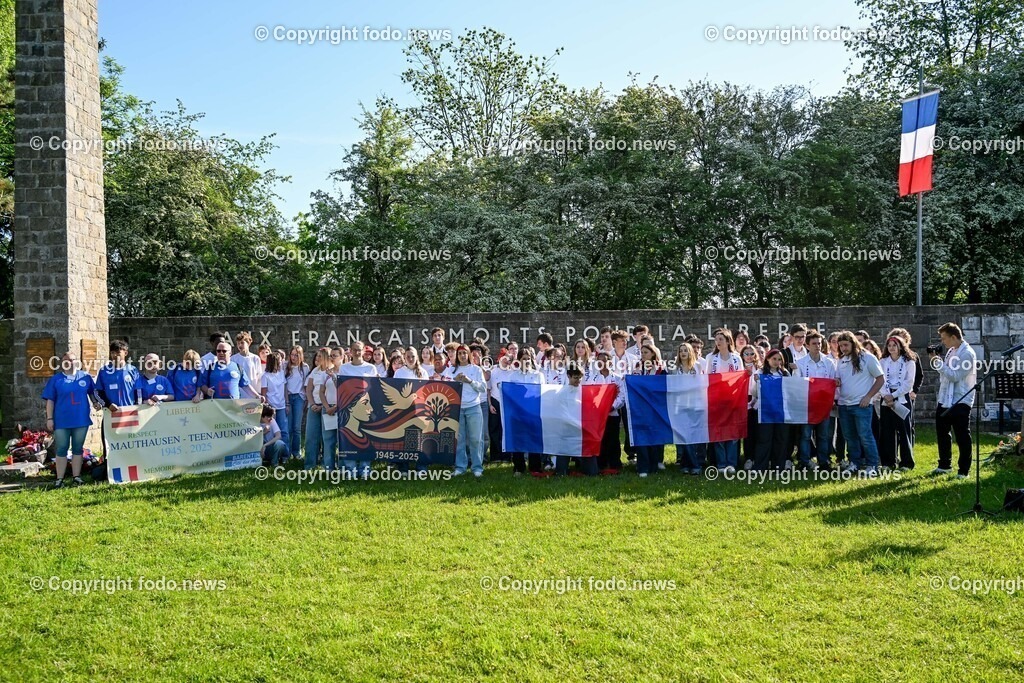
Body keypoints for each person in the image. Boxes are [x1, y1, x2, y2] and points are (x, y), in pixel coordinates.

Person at [43, 352, 102, 488]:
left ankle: (77, 477)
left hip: (81, 420)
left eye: (71, 359)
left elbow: (92, 394)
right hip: (61, 421)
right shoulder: (56, 380)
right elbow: (50, 401)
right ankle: (60, 479)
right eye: (65, 360)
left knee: (78, 448)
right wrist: (50, 418)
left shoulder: (85, 377)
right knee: (62, 448)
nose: (68, 362)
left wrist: (95, 403)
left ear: (77, 361)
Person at [930, 322, 977, 478]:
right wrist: (938, 363)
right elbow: (945, 374)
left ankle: (964, 470)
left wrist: (938, 363)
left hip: (961, 399)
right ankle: (944, 465)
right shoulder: (951, 350)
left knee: (962, 436)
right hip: (945, 399)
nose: (943, 342)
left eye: (944, 338)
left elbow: (955, 376)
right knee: (942, 433)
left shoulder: (967, 354)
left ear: (954, 337)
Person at [835, 331, 884, 475]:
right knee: (850, 437)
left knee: (865, 435)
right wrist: (837, 382)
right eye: (841, 345)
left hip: (861, 405)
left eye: (846, 345)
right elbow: (840, 380)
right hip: (844, 405)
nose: (843, 348)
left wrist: (868, 397)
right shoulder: (841, 360)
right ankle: (854, 463)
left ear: (853, 343)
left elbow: (880, 379)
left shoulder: (868, 358)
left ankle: (872, 465)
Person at [442, 345, 487, 477]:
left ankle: (477, 467)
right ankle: (460, 467)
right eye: (460, 353)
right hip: (457, 407)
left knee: (476, 438)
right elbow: (445, 386)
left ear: (469, 355)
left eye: (464, 353)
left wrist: (469, 381)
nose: (462, 356)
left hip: (473, 406)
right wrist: (455, 381)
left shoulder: (476, 369)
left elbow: (483, 388)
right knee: (459, 439)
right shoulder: (451, 370)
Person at [794, 331, 837, 470]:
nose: (817, 346)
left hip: (824, 405)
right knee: (806, 435)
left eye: (819, 343)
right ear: (807, 345)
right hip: (807, 405)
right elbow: (798, 384)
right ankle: (805, 461)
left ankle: (823, 461)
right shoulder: (800, 363)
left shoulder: (829, 363)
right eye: (814, 344)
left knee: (823, 435)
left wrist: (833, 400)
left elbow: (832, 383)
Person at [336, 341, 379, 477]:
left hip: (366, 408)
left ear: (363, 351)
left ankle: (365, 468)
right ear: (350, 351)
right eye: (354, 350)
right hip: (349, 409)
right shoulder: (344, 368)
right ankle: (351, 468)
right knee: (348, 437)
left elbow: (375, 388)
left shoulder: (371, 368)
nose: (357, 352)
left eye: (359, 350)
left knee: (366, 436)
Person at [95, 340, 141, 458]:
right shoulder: (104, 371)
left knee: (131, 442)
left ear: (125, 353)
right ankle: (108, 469)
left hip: (129, 414)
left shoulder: (133, 370)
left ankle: (133, 467)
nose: (115, 355)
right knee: (109, 443)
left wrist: (137, 407)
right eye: (112, 353)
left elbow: (138, 392)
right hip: (111, 414)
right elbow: (98, 392)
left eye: (118, 352)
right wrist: (108, 404)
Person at [707, 329, 742, 473]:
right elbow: (708, 378)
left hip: (733, 400)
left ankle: (731, 463)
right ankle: (721, 464)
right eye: (716, 339)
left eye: (721, 339)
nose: (718, 341)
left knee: (732, 433)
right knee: (719, 432)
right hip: (717, 400)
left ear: (728, 341)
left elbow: (740, 378)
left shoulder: (736, 358)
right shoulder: (712, 358)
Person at [879, 336, 916, 472]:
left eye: (895, 345)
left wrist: (893, 396)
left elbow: (908, 383)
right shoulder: (882, 361)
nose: (892, 348)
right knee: (887, 431)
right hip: (886, 397)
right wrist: (886, 396)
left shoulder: (909, 362)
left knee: (904, 430)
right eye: (889, 345)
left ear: (900, 346)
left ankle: (906, 463)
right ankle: (889, 462)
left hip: (901, 397)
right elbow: (880, 379)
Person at [553, 367, 599, 477]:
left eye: (579, 378)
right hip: (567, 428)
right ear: (568, 376)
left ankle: (588, 469)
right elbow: (560, 411)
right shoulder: (562, 392)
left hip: (581, 429)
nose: (578, 380)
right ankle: (562, 470)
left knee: (591, 469)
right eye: (575, 378)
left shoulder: (585, 392)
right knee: (563, 455)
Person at [750, 349, 791, 471]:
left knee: (781, 439)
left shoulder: (784, 373)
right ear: (768, 359)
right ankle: (760, 467)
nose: (776, 362)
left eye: (779, 359)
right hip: (765, 412)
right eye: (774, 359)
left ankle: (778, 466)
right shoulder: (760, 372)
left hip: (781, 412)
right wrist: (757, 382)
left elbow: (790, 390)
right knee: (764, 439)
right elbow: (754, 393)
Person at [670, 343, 706, 475]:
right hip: (680, 406)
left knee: (692, 435)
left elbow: (702, 385)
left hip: (695, 405)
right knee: (684, 435)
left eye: (686, 350)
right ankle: (693, 464)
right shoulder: (675, 368)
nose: (683, 353)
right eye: (681, 351)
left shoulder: (697, 366)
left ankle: (687, 464)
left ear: (690, 352)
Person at [589, 350, 625, 475]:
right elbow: (591, 395)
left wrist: (612, 407)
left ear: (610, 362)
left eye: (605, 360)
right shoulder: (593, 379)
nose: (602, 363)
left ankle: (615, 463)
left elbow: (622, 396)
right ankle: (601, 463)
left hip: (612, 414)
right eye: (600, 360)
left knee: (613, 439)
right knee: (601, 439)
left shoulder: (618, 378)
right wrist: (598, 407)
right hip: (598, 416)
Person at [635, 344, 666, 478]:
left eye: (646, 352)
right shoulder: (638, 367)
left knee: (654, 437)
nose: (643, 355)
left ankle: (654, 465)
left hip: (656, 408)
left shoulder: (661, 370)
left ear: (653, 354)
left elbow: (664, 387)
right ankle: (643, 466)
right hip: (641, 407)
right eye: (642, 352)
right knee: (642, 437)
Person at [303, 348, 330, 470]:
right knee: (311, 436)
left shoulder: (332, 371)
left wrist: (324, 406)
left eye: (320, 356)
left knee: (327, 438)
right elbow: (309, 389)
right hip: (313, 406)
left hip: (327, 407)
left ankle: (326, 463)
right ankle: (310, 464)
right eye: (317, 356)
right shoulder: (315, 370)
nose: (317, 358)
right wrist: (312, 404)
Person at [261, 352, 290, 459]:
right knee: (273, 432)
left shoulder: (282, 373)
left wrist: (287, 404)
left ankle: (285, 455)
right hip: (271, 408)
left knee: (284, 431)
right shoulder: (265, 376)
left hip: (282, 406)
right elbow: (264, 393)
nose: (281, 363)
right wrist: (268, 408)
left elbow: (285, 389)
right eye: (279, 361)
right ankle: (273, 455)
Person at [320, 347, 344, 473]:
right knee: (328, 440)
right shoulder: (326, 373)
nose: (332, 358)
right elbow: (321, 392)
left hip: (341, 408)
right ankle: (328, 468)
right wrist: (327, 407)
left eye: (335, 355)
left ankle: (342, 467)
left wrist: (336, 407)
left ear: (342, 357)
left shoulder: (345, 372)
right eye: (331, 356)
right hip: (328, 409)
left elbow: (343, 390)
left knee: (342, 441)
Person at [740, 344, 762, 470]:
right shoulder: (739, 367)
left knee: (757, 432)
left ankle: (756, 457)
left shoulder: (760, 368)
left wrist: (754, 400)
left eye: (751, 354)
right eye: (746, 354)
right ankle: (748, 458)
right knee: (747, 433)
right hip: (742, 401)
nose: (749, 356)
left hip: (756, 402)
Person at [285, 346, 309, 458]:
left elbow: (306, 384)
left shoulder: (304, 367)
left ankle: (297, 452)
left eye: (296, 355)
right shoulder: (285, 366)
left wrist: (306, 399)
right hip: (288, 397)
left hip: (299, 397)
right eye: (292, 354)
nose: (293, 357)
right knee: (288, 427)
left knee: (297, 427)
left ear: (300, 356)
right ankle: (287, 452)